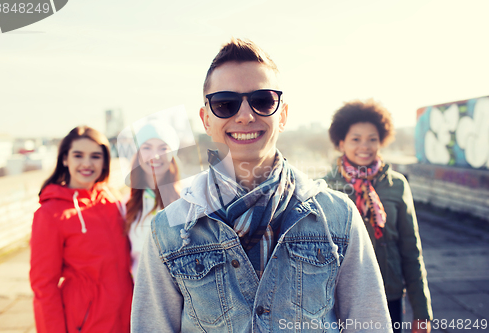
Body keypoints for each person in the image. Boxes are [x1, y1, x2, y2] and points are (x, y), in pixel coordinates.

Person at [131, 38, 392, 332]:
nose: (245, 115)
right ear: (206, 119)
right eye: (225, 104)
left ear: (282, 115)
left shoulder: (338, 217)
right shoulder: (169, 229)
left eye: (263, 100)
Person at [324, 100, 433, 333]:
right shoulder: (325, 187)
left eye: (372, 139)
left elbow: (411, 249)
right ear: (341, 142)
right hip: (340, 296)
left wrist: (422, 312)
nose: (365, 146)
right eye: (356, 139)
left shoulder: (397, 185)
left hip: (389, 293)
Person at [30, 126, 133, 333]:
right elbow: (44, 286)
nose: (87, 163)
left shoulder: (111, 199)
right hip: (87, 323)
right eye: (78, 155)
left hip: (129, 316)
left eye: (95, 156)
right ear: (65, 159)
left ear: (104, 161)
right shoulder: (50, 214)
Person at [125, 121, 182, 280]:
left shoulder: (188, 199)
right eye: (147, 147)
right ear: (138, 154)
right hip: (142, 294)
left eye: (163, 148)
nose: (155, 156)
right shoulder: (126, 204)